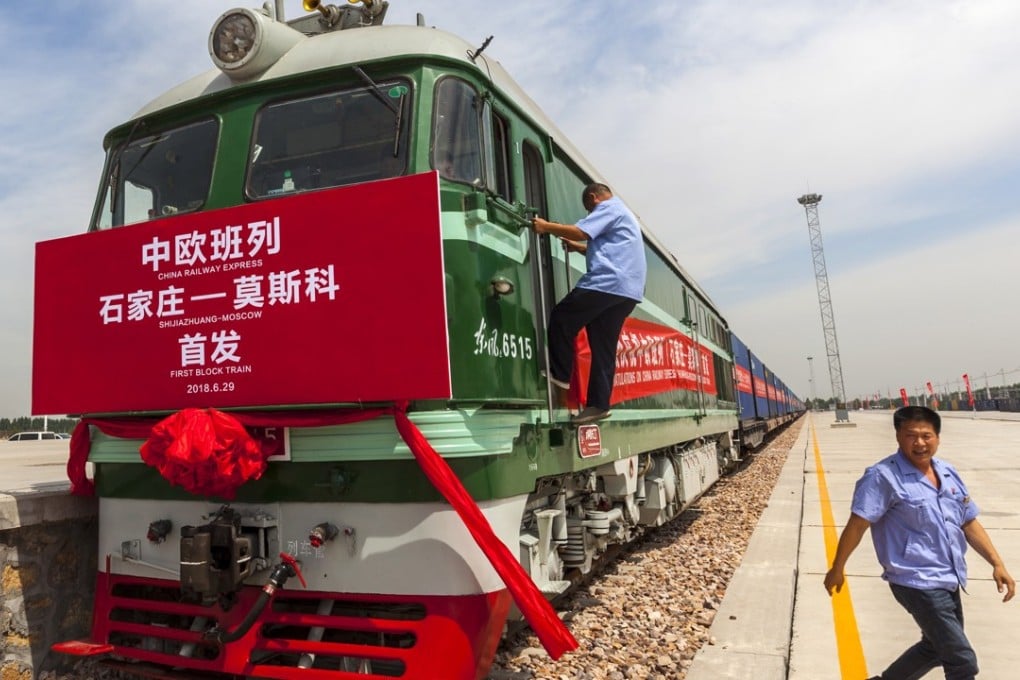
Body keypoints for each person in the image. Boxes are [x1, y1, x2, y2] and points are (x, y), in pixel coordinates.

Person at [823, 406, 1015, 680]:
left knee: (936, 648)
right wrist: (837, 566)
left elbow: (968, 521)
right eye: (911, 435)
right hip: (914, 580)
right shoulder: (882, 476)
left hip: (948, 577)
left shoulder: (948, 472)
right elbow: (858, 524)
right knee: (962, 661)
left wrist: (997, 563)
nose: (920, 443)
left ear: (937, 437)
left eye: (927, 435)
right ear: (898, 437)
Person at [531, 183, 646, 425]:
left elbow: (581, 231)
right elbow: (610, 250)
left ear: (593, 198)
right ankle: (598, 405)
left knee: (562, 318)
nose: (589, 216)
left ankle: (560, 376)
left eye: (588, 211)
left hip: (608, 283)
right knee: (603, 348)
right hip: (628, 292)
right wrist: (579, 249)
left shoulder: (608, 207)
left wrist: (545, 227)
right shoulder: (626, 215)